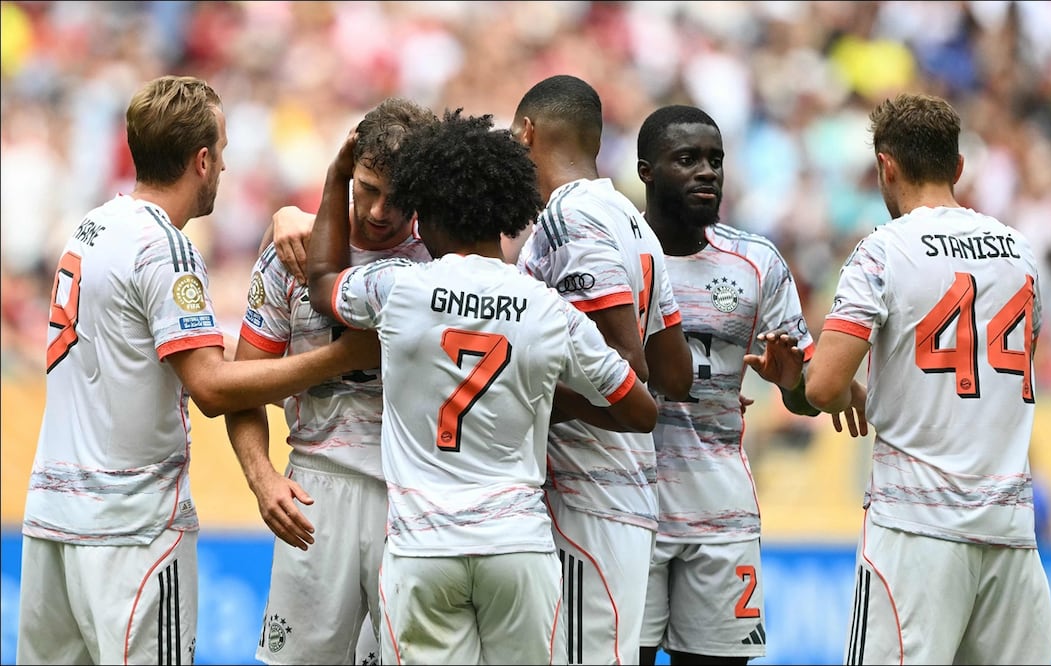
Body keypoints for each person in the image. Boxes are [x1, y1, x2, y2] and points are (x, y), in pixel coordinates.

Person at [16, 75, 376, 665]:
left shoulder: (90, 229)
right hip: (131, 529)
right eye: (225, 151)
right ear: (202, 160)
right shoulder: (167, 248)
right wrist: (341, 357)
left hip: (53, 516)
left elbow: (133, 351)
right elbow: (210, 387)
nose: (228, 167)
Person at [305, 108, 659, 665]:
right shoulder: (548, 309)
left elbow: (322, 281)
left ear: (425, 214)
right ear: (508, 209)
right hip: (516, 544)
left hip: (424, 547)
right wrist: (539, 396)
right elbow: (640, 409)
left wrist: (334, 178)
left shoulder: (401, 289)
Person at [804, 92, 1051, 665]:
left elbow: (822, 389)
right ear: (958, 167)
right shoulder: (1020, 253)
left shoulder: (883, 251)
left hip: (915, 532)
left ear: (885, 168)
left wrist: (817, 380)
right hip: (1011, 531)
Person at [633, 104, 867, 666]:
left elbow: (806, 395)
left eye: (715, 160)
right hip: (625, 509)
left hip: (722, 515)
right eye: (686, 159)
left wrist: (793, 386)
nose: (707, 172)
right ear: (646, 170)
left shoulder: (755, 262)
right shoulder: (612, 255)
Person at [224, 97, 437, 665]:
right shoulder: (288, 255)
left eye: (400, 196)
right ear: (348, 169)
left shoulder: (448, 260)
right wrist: (263, 478)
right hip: (320, 491)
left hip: (415, 493)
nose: (379, 210)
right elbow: (243, 384)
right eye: (368, 187)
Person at [510, 74, 693, 665]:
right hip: (629, 491)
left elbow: (630, 369)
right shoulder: (631, 219)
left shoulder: (568, 217)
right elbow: (677, 372)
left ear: (527, 133)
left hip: (584, 491)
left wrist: (523, 397)